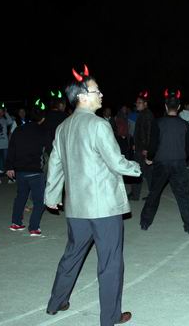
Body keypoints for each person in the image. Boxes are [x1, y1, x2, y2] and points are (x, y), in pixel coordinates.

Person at [44, 65, 141, 325]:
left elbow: (55, 164)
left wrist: (51, 196)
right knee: (110, 262)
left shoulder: (63, 127)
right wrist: (136, 167)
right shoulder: (99, 125)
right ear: (82, 97)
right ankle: (110, 317)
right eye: (96, 91)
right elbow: (116, 162)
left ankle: (56, 302)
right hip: (104, 207)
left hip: (77, 206)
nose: (101, 94)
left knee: (72, 255)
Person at [140, 90, 189, 233]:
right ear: (179, 107)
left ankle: (145, 222)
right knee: (183, 195)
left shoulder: (158, 123)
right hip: (179, 163)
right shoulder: (184, 124)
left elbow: (153, 144)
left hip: (161, 163)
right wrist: (182, 156)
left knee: (154, 193)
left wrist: (150, 158)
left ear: (165, 106)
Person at [6, 101, 52, 236]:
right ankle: (34, 227)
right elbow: (51, 150)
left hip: (20, 170)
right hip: (35, 171)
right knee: (39, 201)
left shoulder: (19, 130)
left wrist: (9, 167)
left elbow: (11, 149)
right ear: (42, 118)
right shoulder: (43, 131)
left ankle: (16, 223)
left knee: (21, 197)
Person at [128, 91, 156, 201]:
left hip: (143, 150)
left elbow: (148, 133)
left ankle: (136, 194)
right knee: (146, 172)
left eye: (139, 102)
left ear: (145, 104)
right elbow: (141, 133)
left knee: (139, 171)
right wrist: (136, 144)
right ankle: (148, 195)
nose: (137, 104)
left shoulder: (146, 115)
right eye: (137, 103)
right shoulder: (143, 114)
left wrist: (146, 148)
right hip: (141, 148)